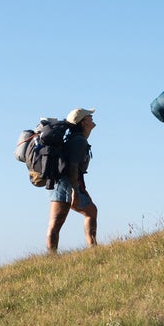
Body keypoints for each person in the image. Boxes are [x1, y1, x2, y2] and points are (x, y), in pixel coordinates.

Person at [45, 107, 98, 253]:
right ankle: (51, 257)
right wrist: (75, 191)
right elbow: (73, 167)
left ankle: (93, 249)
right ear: (82, 122)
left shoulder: (76, 139)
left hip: (68, 183)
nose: (91, 117)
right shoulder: (78, 141)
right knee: (55, 223)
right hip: (66, 184)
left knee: (91, 211)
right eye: (88, 116)